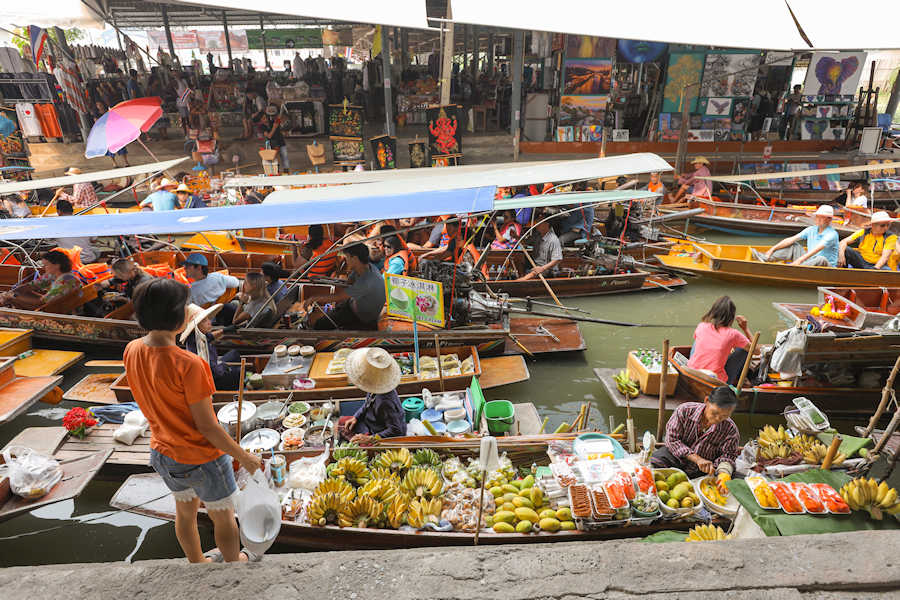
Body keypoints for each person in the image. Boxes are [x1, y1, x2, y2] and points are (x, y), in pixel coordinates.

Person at [124, 279, 262, 563]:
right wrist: (244, 457)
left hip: (163, 452)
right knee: (223, 516)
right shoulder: (188, 364)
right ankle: (234, 564)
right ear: (178, 316)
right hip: (202, 457)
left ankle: (197, 563)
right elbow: (208, 427)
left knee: (184, 512)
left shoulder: (133, 349)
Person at [651, 386, 740, 479]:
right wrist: (697, 459)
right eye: (715, 413)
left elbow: (728, 456)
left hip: (702, 470)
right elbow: (672, 440)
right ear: (706, 400)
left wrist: (723, 472)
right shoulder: (685, 410)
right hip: (676, 458)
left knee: (728, 477)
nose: (718, 419)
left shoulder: (731, 430)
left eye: (724, 416)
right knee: (653, 463)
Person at [301, 243, 385, 330]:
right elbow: (347, 283)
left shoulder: (367, 281)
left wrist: (313, 298)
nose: (345, 260)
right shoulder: (365, 268)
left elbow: (338, 297)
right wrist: (322, 278)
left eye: (347, 257)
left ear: (355, 258)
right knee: (334, 311)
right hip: (351, 304)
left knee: (320, 325)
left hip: (360, 317)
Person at [338, 348, 406, 443]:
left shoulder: (385, 402)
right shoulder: (374, 387)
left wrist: (370, 438)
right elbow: (367, 404)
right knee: (342, 423)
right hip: (370, 421)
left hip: (379, 432)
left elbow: (397, 430)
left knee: (356, 444)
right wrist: (356, 417)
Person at [686, 296, 751, 385]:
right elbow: (756, 351)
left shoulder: (702, 326)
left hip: (692, 373)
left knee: (698, 339)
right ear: (731, 317)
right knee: (745, 350)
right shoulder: (733, 334)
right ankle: (739, 379)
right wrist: (745, 329)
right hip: (715, 380)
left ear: (713, 312)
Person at [751, 205, 839, 267]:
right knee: (794, 246)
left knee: (821, 259)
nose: (818, 219)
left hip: (826, 266)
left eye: (822, 217)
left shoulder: (832, 234)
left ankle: (796, 268)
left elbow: (817, 249)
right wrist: (772, 249)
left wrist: (799, 261)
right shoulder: (811, 229)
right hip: (809, 261)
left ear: (829, 219)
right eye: (817, 217)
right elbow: (791, 239)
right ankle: (766, 258)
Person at [180, 303, 242, 390]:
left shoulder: (199, 335)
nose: (209, 322)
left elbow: (210, 337)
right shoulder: (198, 345)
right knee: (239, 373)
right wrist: (224, 367)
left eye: (208, 319)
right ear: (196, 327)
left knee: (234, 354)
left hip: (214, 368)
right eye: (204, 321)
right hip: (211, 381)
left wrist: (225, 330)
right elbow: (214, 371)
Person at [0, 250, 81, 309]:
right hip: (51, 305)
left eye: (46, 265)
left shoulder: (66, 280)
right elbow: (32, 285)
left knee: (11, 298)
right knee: (14, 294)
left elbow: (41, 302)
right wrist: (13, 292)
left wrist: (12, 297)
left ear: (57, 265)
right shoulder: (53, 276)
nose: (43, 267)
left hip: (56, 310)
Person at [182, 253, 240, 324]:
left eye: (188, 266)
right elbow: (236, 282)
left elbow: (187, 311)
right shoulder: (218, 277)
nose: (184, 268)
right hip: (224, 315)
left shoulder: (191, 291)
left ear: (199, 267)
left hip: (206, 322)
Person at [517, 213, 562, 281]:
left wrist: (542, 268)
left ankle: (521, 281)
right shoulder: (537, 235)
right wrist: (515, 236)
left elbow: (557, 259)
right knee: (519, 256)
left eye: (539, 222)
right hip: (535, 264)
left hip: (547, 269)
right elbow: (524, 242)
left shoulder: (553, 239)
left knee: (533, 273)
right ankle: (520, 277)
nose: (537, 224)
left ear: (546, 224)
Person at [262, 104, 290, 172]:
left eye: (273, 115)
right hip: (272, 144)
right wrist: (274, 127)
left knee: (284, 156)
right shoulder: (263, 127)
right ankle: (275, 171)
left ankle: (286, 170)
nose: (271, 117)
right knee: (274, 159)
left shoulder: (275, 121)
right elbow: (269, 136)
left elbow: (284, 125)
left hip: (281, 142)